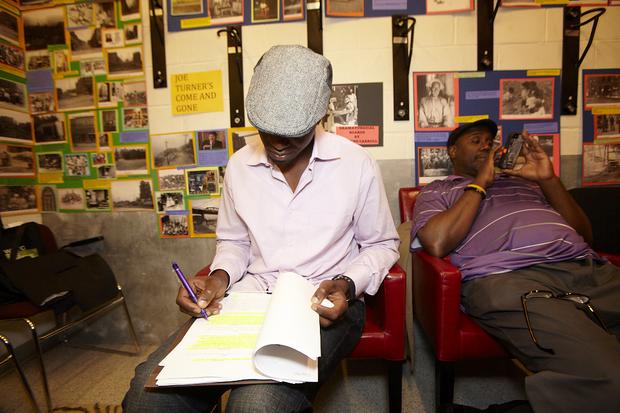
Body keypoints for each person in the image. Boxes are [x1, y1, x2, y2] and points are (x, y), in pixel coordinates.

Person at [122, 45, 399, 413]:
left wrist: (347, 284)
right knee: (147, 394)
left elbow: (382, 245)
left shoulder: (356, 164)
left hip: (324, 302)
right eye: (268, 130)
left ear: (321, 115)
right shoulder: (240, 166)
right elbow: (234, 243)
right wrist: (219, 277)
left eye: (293, 132)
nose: (278, 143)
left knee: (256, 405)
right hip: (250, 298)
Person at [410, 119, 620, 413]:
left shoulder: (528, 183)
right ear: (453, 151)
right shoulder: (439, 190)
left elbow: (585, 235)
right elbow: (436, 242)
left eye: (490, 141)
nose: (486, 146)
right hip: (511, 279)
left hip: (587, 268)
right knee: (608, 377)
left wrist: (548, 179)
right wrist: (480, 183)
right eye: (476, 140)